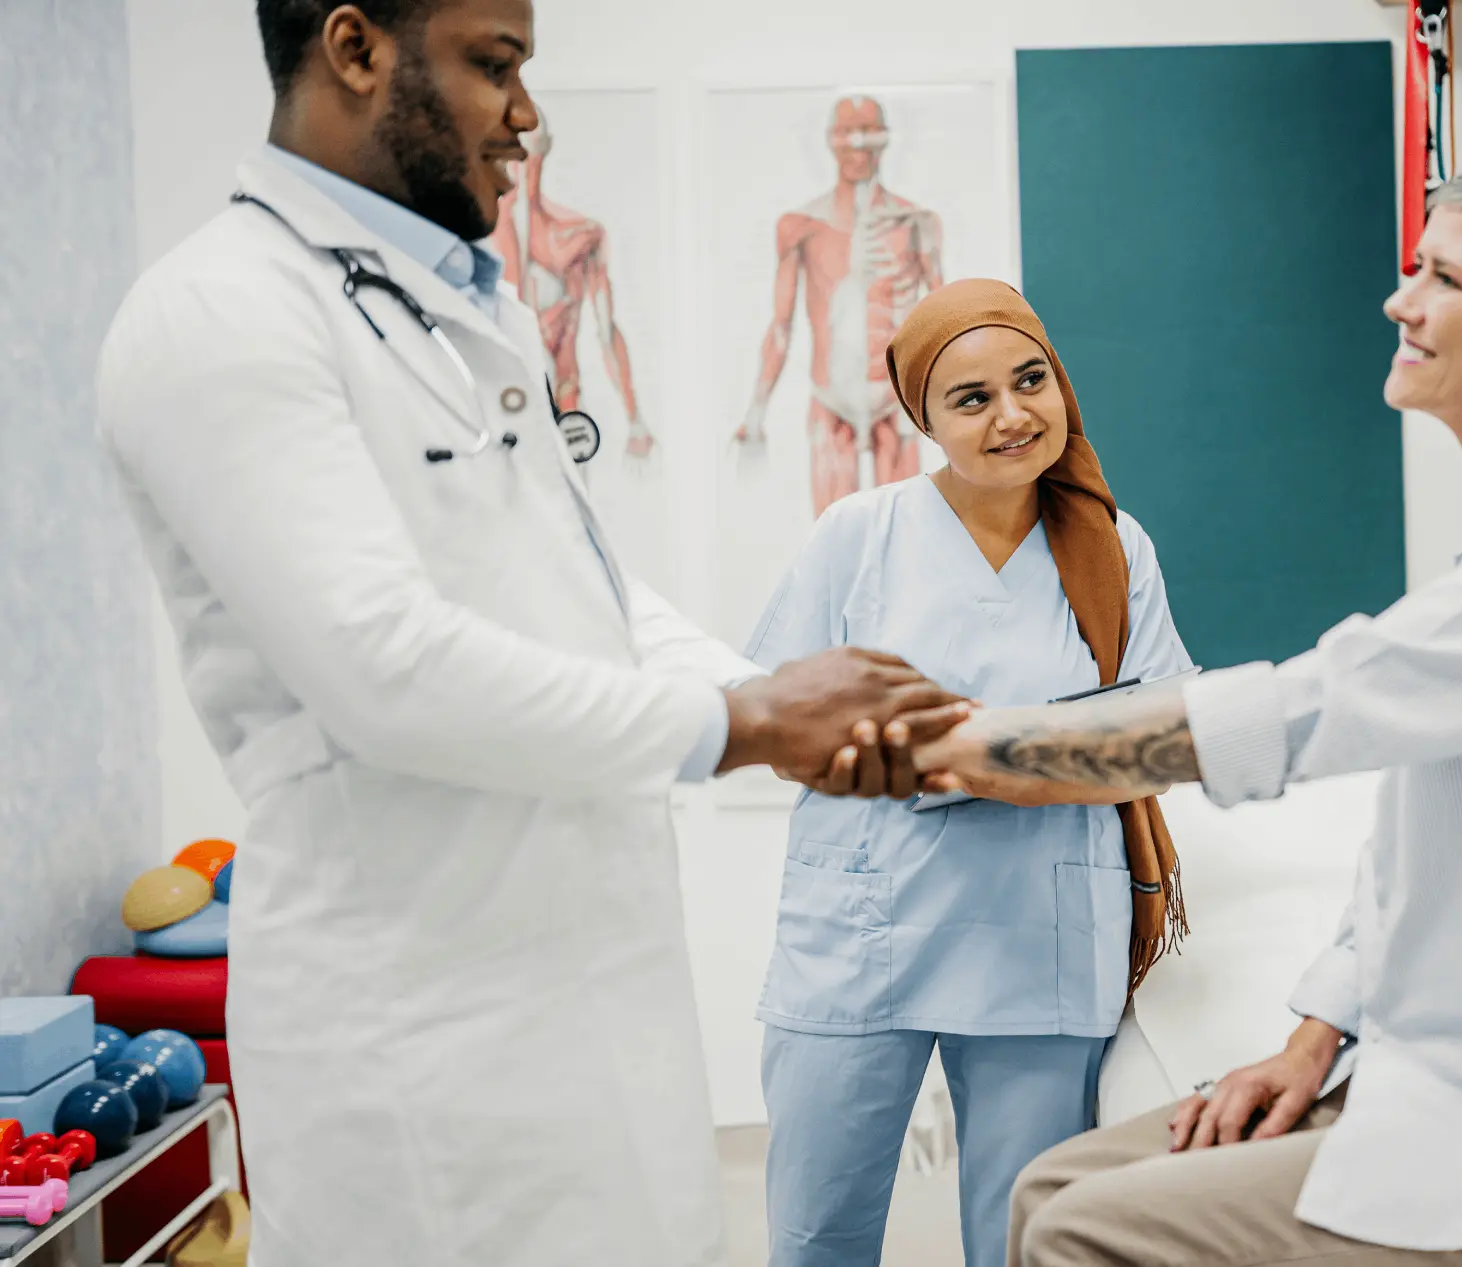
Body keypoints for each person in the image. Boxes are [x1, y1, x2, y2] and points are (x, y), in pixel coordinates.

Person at [94, 4, 967, 1266]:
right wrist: (746, 721)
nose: (526, 115)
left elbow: (587, 600)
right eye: (494, 67)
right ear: (355, 49)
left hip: (596, 1007)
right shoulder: (218, 316)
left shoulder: (464, 309)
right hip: (418, 1053)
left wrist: (767, 699)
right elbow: (381, 666)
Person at [918, 150, 1462, 1267]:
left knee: (1081, 1235)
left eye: (1445, 281)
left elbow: (1309, 709)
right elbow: (1419, 852)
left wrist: (981, 746)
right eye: (1415, 268)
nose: (1401, 300)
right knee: (1051, 1182)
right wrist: (1313, 1041)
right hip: (1445, 1093)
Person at [745, 278, 1193, 1267]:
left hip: (1040, 931)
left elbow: (1165, 729)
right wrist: (933, 757)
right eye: (972, 398)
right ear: (927, 420)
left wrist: (1001, 753)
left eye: (1031, 381)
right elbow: (782, 724)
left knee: (1024, 1238)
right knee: (818, 1233)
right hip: (867, 926)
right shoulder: (857, 537)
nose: (1012, 415)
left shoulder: (1114, 547)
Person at [735, 95, 945, 516]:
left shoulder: (917, 223)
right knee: (833, 542)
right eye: (848, 132)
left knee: (904, 537)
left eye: (869, 131)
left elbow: (947, 321)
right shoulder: (801, 227)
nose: (859, 143)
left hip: (895, 402)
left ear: (885, 140)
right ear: (831, 141)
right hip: (831, 399)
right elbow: (782, 325)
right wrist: (755, 412)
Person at [489, 103, 656, 461]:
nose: (522, 162)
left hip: (568, 413)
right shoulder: (481, 238)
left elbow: (607, 331)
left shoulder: (582, 236)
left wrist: (635, 419)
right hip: (502, 413)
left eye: (528, 149)